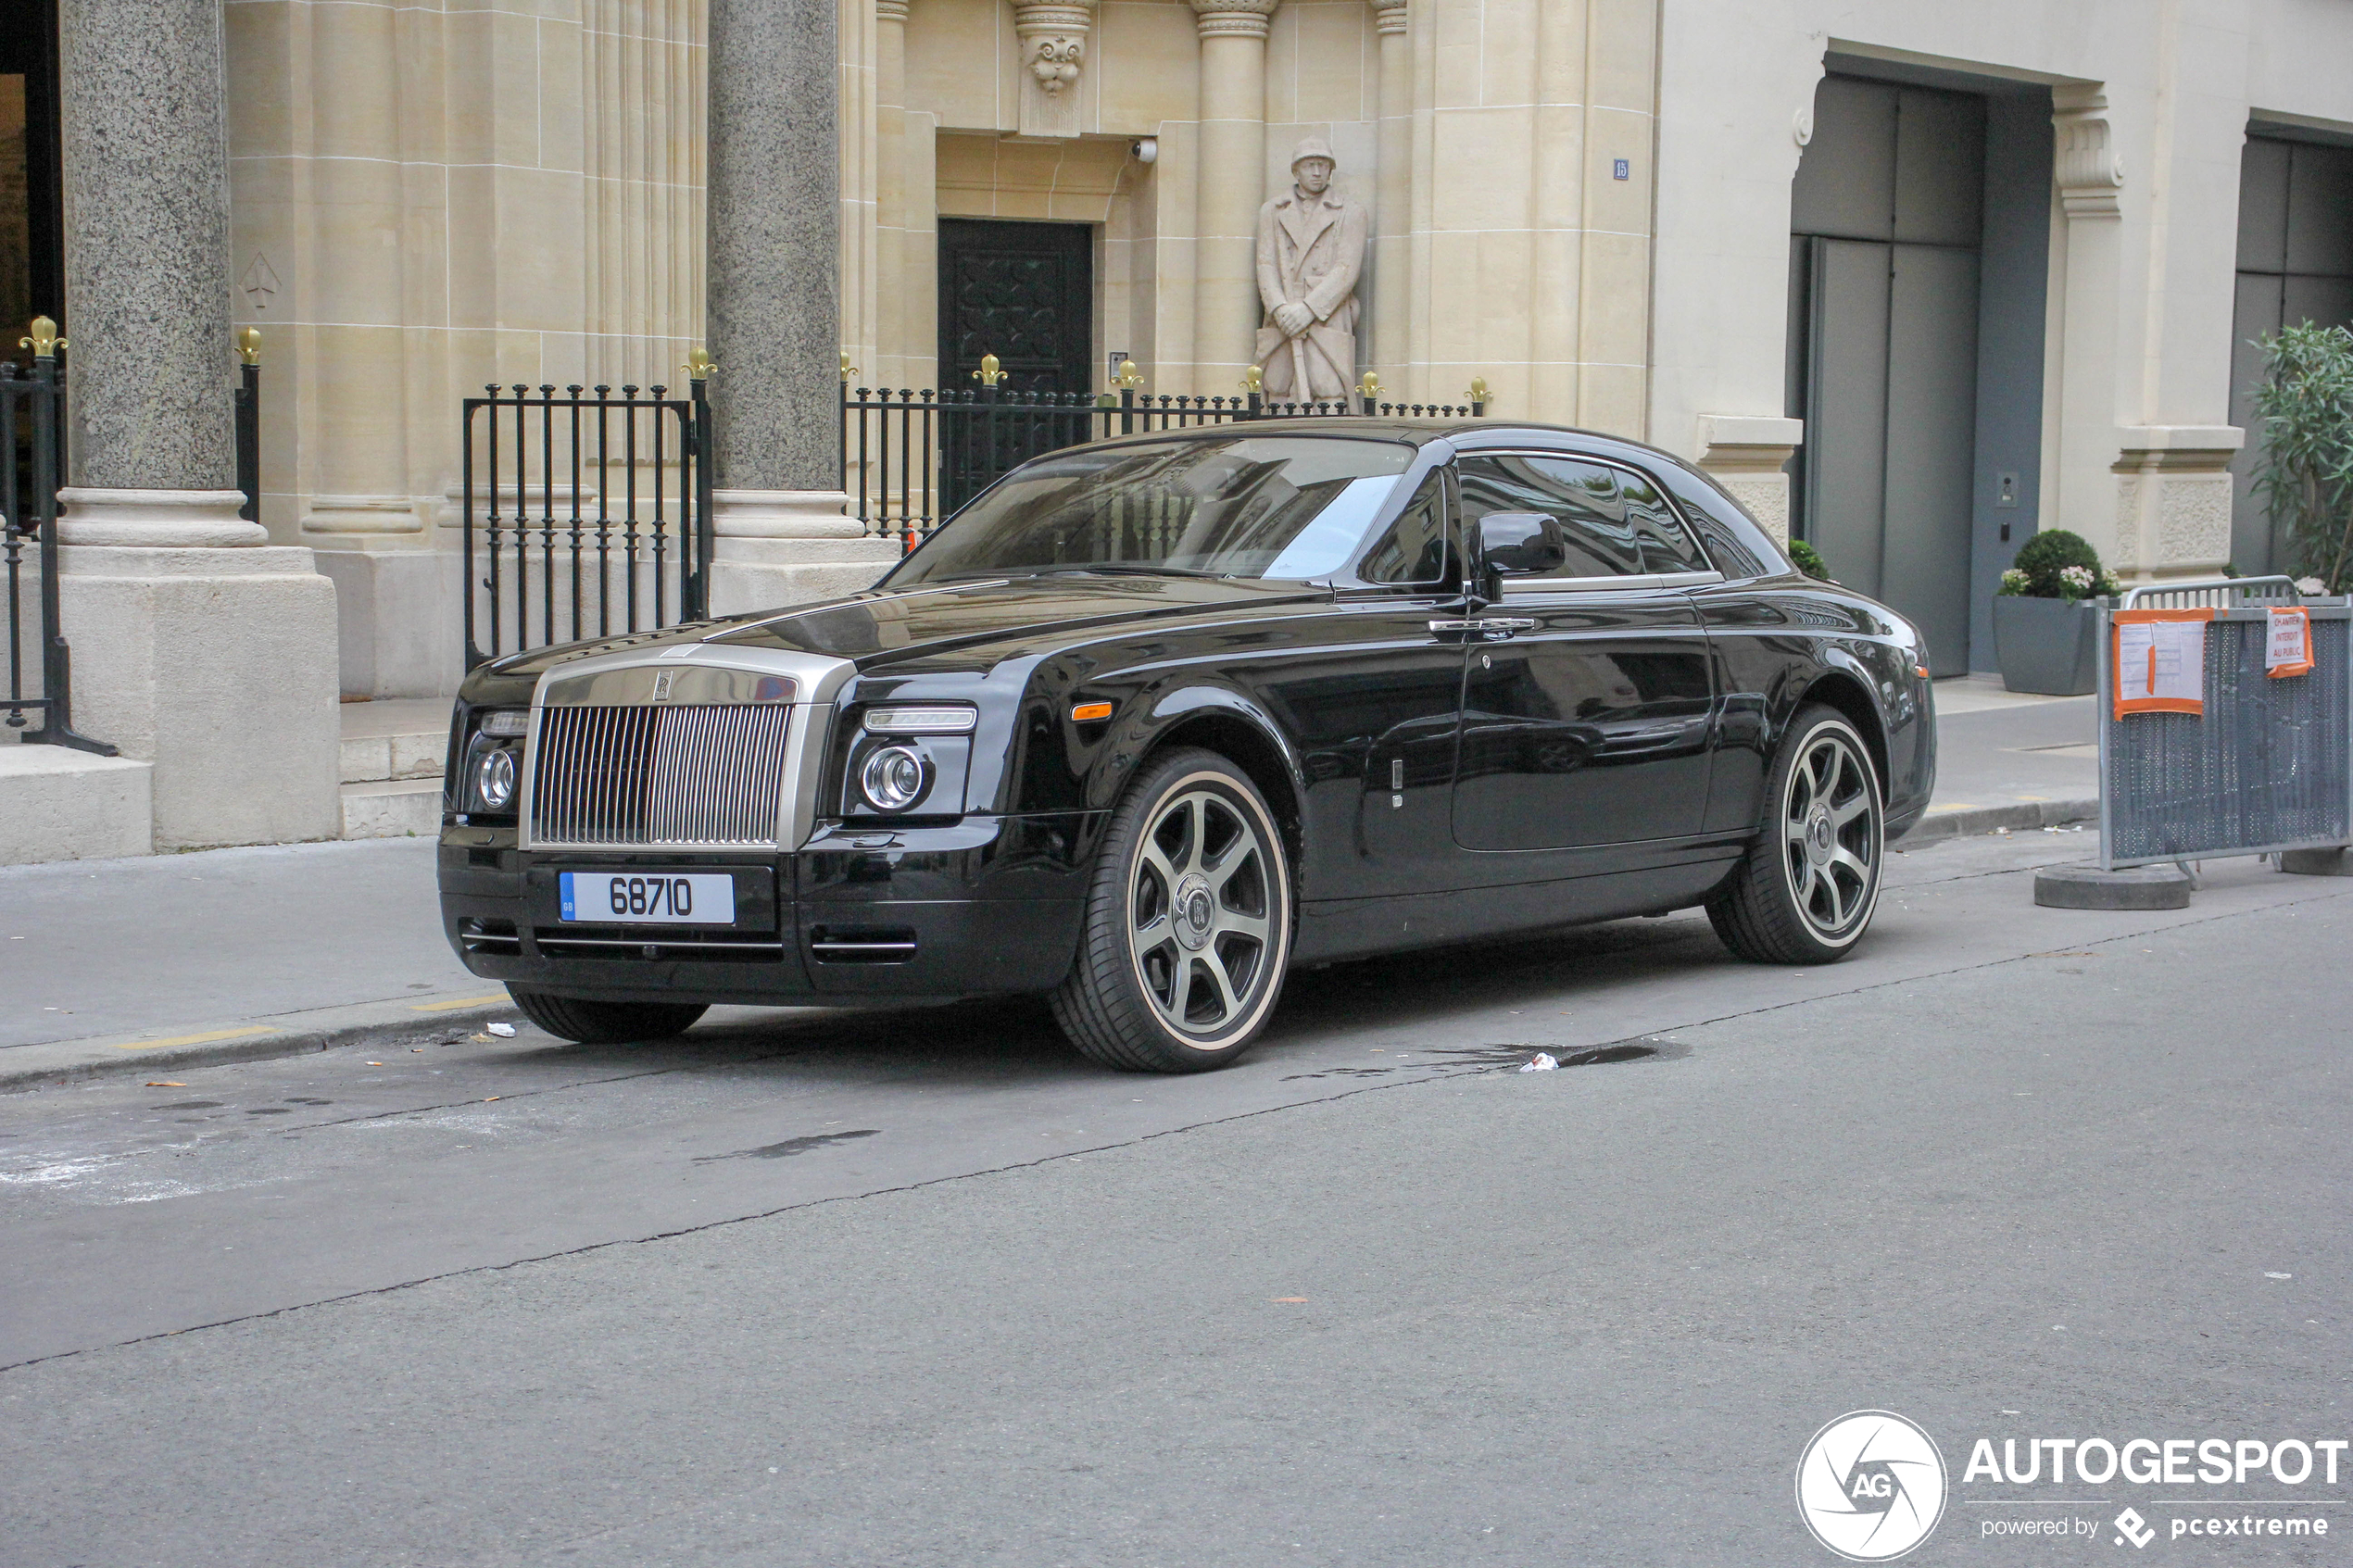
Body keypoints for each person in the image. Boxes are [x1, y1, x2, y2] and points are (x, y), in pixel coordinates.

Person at [1253, 136, 1366, 403]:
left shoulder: (1350, 212)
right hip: (1282, 317)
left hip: (1325, 315)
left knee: (1328, 387)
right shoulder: (1271, 211)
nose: (1317, 172)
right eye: (1309, 165)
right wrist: (1280, 309)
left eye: (1323, 165)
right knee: (1277, 385)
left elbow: (1346, 270)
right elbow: (1265, 265)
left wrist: (1307, 310)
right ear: (1296, 170)